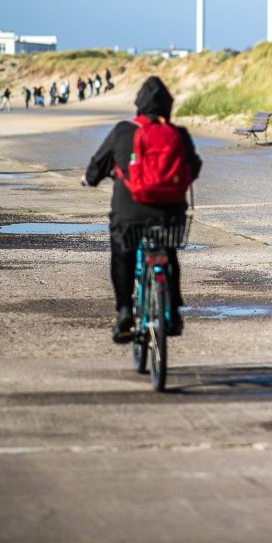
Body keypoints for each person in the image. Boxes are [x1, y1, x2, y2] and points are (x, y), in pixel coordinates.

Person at [83, 77, 202, 344]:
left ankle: (125, 311)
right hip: (169, 213)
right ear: (168, 107)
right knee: (167, 252)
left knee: (122, 256)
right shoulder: (178, 134)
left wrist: (90, 179)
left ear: (139, 105)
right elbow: (193, 167)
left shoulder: (124, 131)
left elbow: (97, 166)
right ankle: (172, 312)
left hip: (130, 212)